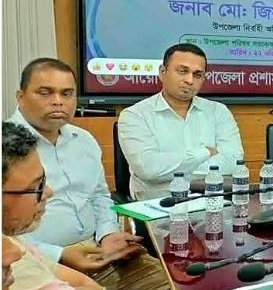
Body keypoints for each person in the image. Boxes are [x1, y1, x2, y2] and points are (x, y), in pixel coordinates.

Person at [8, 58, 169, 289]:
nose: (58, 101)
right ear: (20, 97)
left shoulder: (84, 140)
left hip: (98, 250)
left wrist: (108, 234)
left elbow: (99, 195)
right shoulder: (7, 147)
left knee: (173, 282)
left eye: (67, 94)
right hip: (31, 261)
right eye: (45, 93)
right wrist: (59, 254)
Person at [118, 43, 244, 194]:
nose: (190, 80)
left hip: (210, 201)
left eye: (197, 75)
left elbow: (233, 163)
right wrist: (204, 153)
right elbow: (148, 169)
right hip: (158, 203)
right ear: (162, 72)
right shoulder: (135, 115)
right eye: (182, 71)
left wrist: (170, 169)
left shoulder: (218, 111)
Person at [2, 121, 102, 290]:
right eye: (35, 187)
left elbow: (83, 283)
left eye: (43, 181)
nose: (48, 192)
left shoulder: (11, 236)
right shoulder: (14, 264)